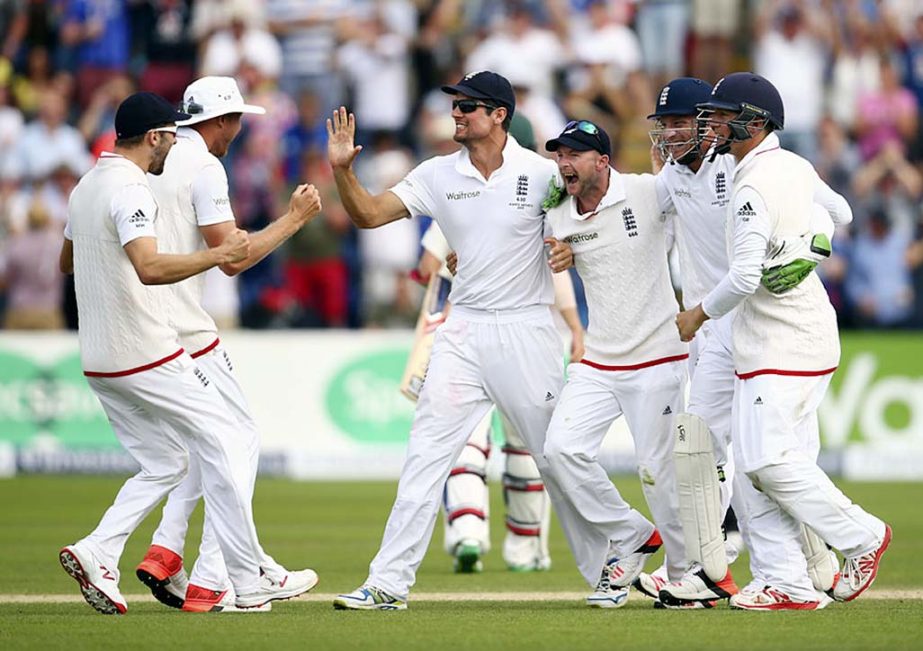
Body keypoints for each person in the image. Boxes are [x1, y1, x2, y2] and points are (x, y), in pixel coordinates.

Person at [326, 71, 572, 610]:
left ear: (499, 115)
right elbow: (367, 214)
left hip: (528, 329)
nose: (456, 114)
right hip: (463, 329)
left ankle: (616, 559)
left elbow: (578, 231)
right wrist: (343, 171)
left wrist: (570, 257)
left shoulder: (543, 173)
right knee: (424, 457)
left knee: (559, 457)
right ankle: (388, 583)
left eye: (468, 107)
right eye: (454, 106)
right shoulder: (438, 173)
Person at [57, 92, 308, 614]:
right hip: (145, 350)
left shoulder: (86, 186)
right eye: (170, 136)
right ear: (153, 137)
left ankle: (99, 550)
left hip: (98, 359)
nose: (174, 146)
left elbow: (67, 261)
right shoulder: (131, 189)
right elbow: (149, 267)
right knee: (228, 442)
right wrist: (216, 254)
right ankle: (247, 576)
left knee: (168, 461)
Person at [675, 72, 891, 610]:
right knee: (754, 463)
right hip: (773, 342)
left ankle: (862, 536)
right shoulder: (788, 164)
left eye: (723, 116)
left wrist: (696, 315)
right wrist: (812, 243)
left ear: (753, 121)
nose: (713, 125)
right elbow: (838, 213)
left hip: (786, 341)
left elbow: (746, 276)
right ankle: (785, 580)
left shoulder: (753, 182)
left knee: (768, 460)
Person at [640, 78, 848, 608]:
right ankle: (704, 572)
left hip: (763, 325)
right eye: (662, 125)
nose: (669, 134)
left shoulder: (745, 165)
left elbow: (834, 212)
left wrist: (809, 248)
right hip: (712, 328)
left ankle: (810, 565)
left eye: (681, 122)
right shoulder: (670, 177)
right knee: (698, 444)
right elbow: (631, 211)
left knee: (777, 456)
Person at [134, 76, 322, 613]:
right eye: (235, 119)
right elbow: (233, 258)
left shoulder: (149, 160)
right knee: (236, 442)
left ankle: (168, 552)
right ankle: (216, 578)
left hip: (146, 328)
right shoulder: (204, 166)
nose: (238, 130)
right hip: (188, 330)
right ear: (217, 122)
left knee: (205, 444)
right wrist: (293, 219)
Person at [540, 119, 684, 608]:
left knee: (656, 470)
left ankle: (684, 577)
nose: (564, 164)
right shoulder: (557, 214)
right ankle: (631, 533)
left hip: (658, 355)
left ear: (602, 160)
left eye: (574, 155)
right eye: (559, 155)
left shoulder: (646, 192)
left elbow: (695, 192)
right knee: (559, 451)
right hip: (600, 358)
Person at [416, 221, 584, 574]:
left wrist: (454, 270)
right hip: (527, 337)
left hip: (463, 333)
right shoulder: (533, 193)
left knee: (464, 438)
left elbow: (426, 270)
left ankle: (467, 533)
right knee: (527, 443)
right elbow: (556, 270)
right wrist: (575, 328)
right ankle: (524, 547)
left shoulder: (451, 193)